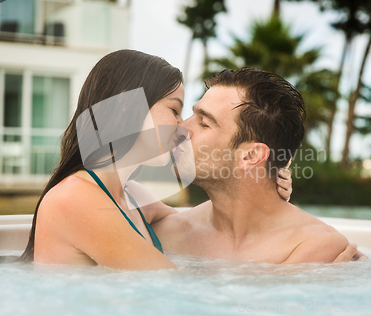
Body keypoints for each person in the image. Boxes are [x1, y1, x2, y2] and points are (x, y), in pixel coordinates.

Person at [19, 50, 298, 270]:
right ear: (127, 107)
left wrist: (262, 182)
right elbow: (172, 291)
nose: (181, 128)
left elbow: (199, 225)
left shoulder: (133, 196)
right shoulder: (77, 200)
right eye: (175, 110)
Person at [152, 67, 367, 264]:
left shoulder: (311, 246)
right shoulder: (167, 231)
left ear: (252, 155)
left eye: (204, 123)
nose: (180, 128)